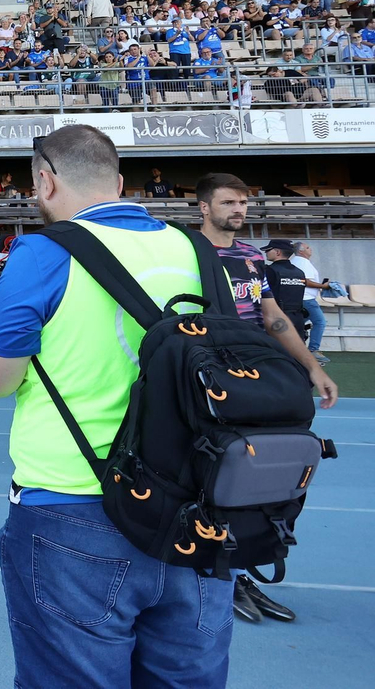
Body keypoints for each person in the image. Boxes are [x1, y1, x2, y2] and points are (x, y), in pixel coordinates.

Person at [0, 124, 234, 687]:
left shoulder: (42, 252)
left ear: (45, 182)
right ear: (118, 182)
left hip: (76, 503)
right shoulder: (196, 249)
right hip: (199, 505)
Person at [195, 172, 338, 625]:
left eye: (242, 202)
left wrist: (312, 367)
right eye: (228, 202)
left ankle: (237, 566)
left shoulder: (253, 258)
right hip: (209, 376)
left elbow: (273, 318)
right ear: (204, 207)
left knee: (254, 472)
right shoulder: (186, 253)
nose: (238, 210)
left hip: (254, 375)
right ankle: (213, 570)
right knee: (209, 474)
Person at [262, 239, 309, 346]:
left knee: (275, 350)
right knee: (297, 350)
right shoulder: (299, 272)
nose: (266, 253)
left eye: (268, 250)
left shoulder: (269, 271)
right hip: (298, 318)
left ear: (277, 252)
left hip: (277, 318)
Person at [290, 242, 331, 364]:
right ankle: (313, 350)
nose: (310, 249)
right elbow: (305, 281)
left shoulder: (295, 261)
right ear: (301, 251)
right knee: (320, 322)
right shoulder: (303, 262)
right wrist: (323, 286)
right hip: (307, 298)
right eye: (307, 248)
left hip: (300, 298)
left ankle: (291, 346)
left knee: (296, 324)